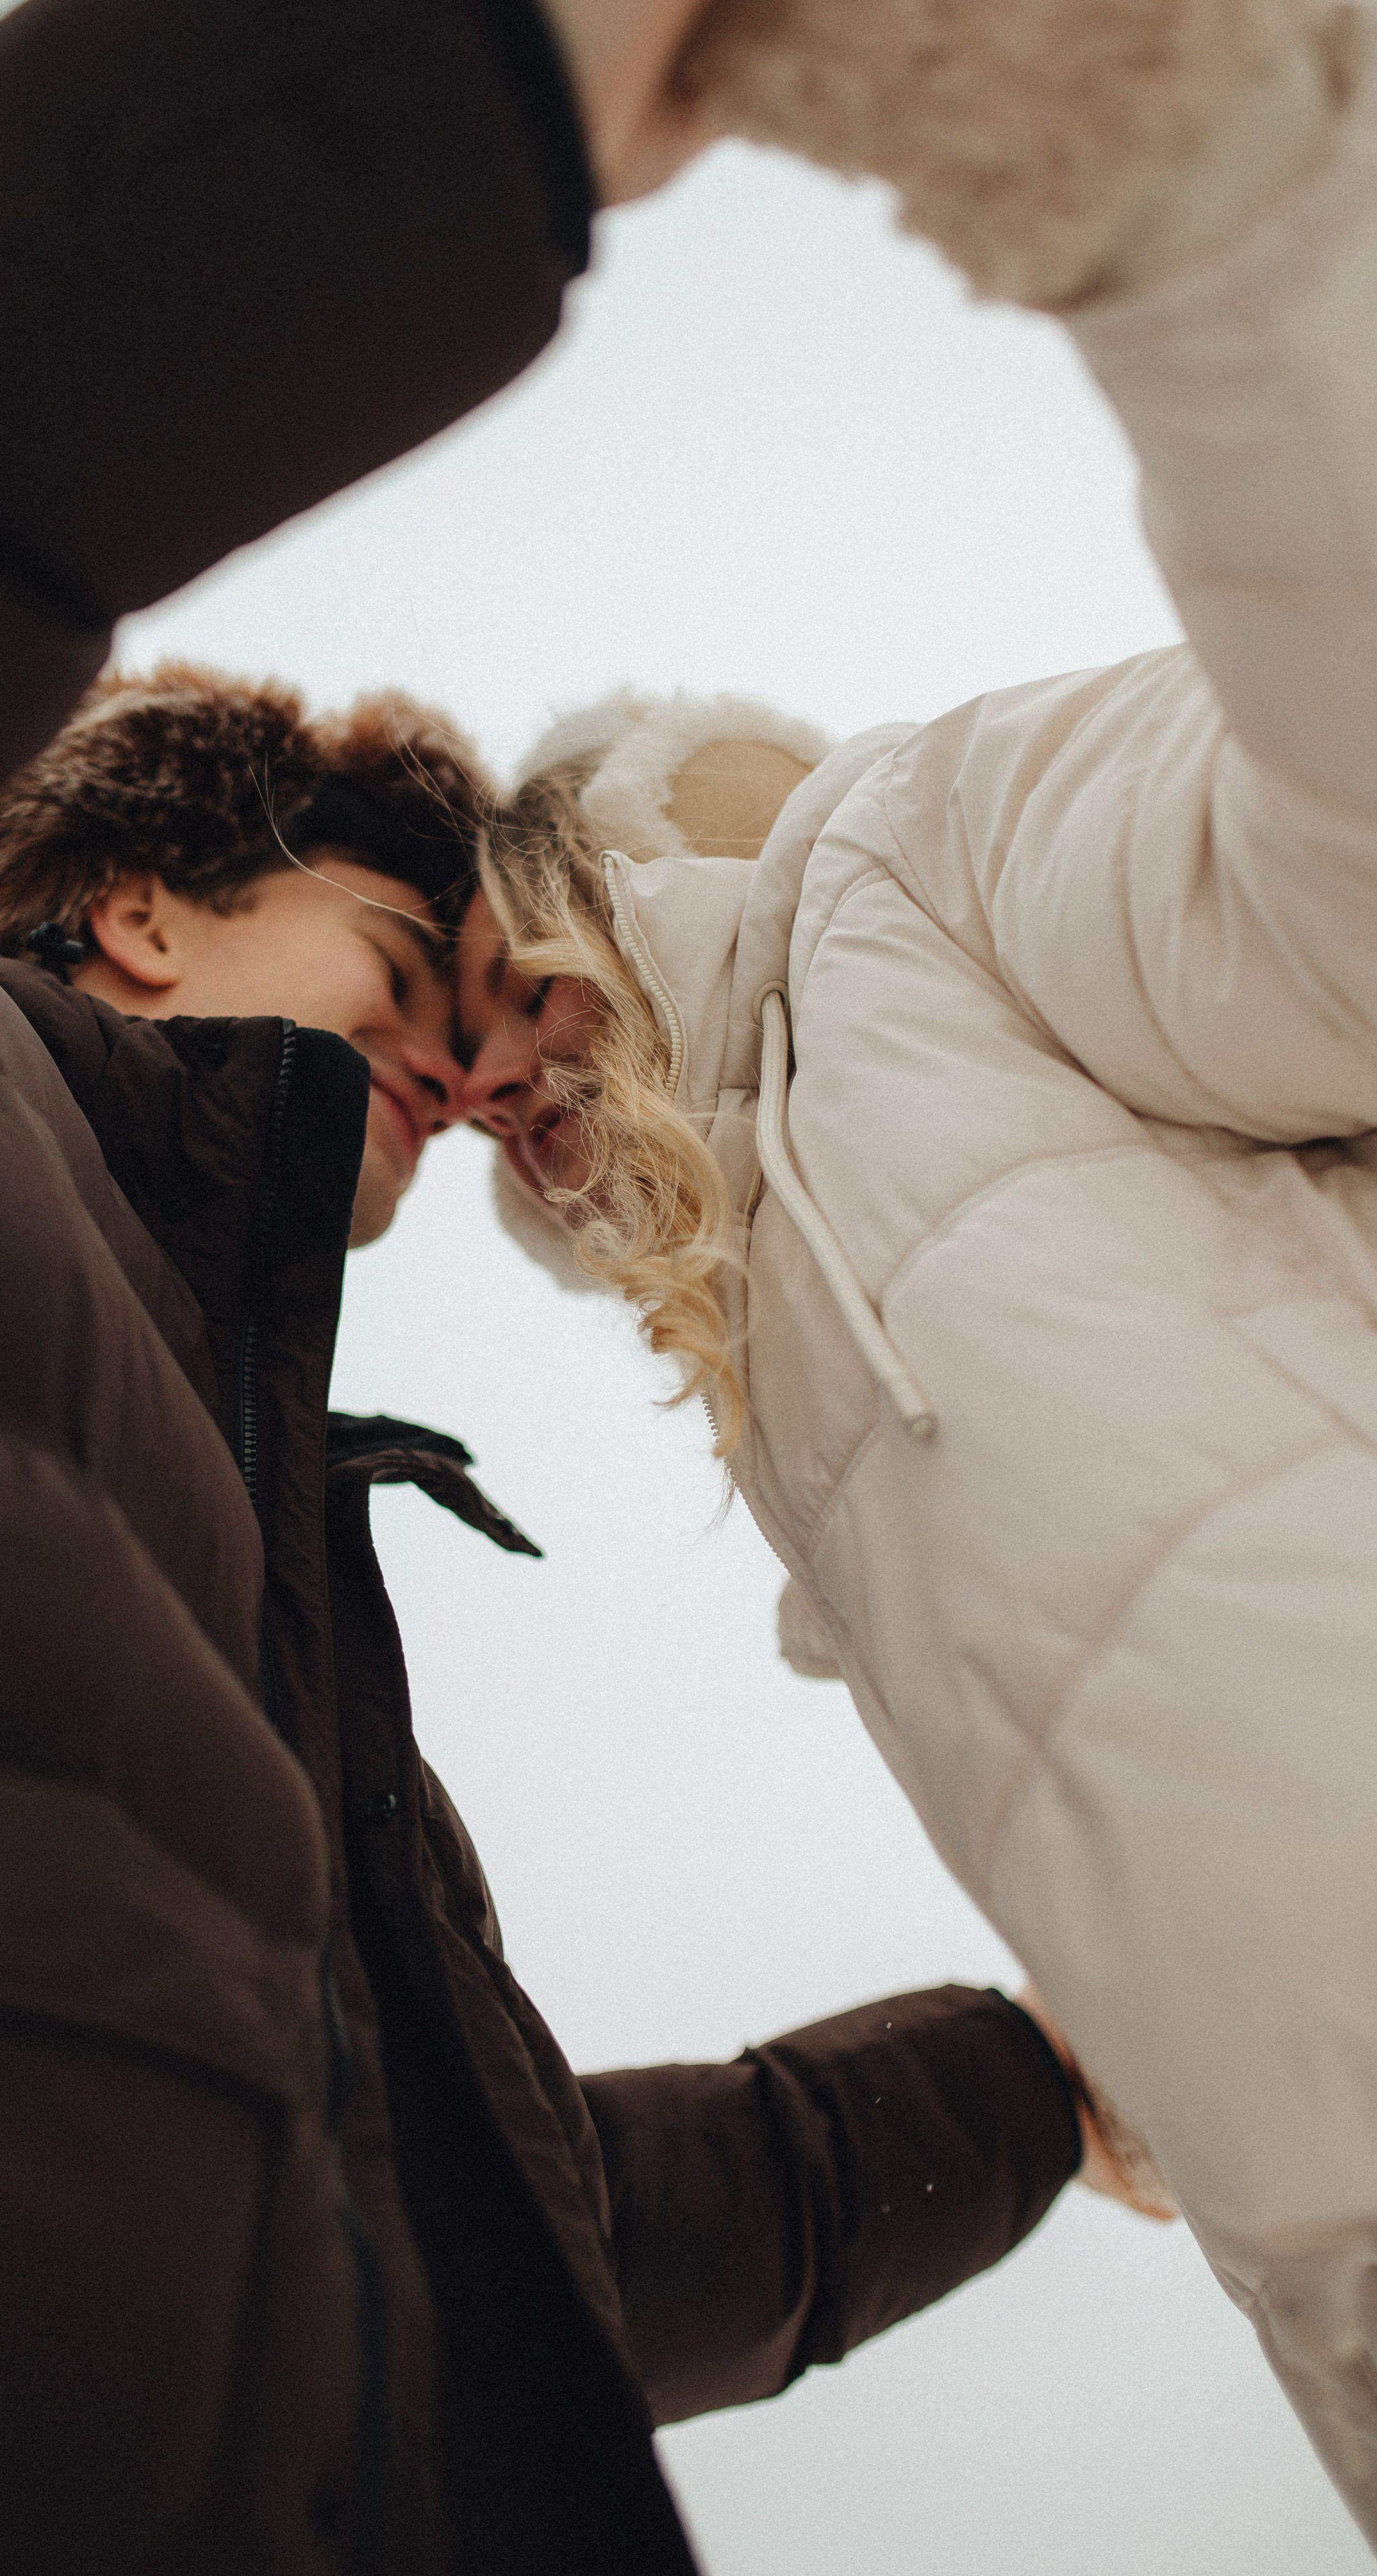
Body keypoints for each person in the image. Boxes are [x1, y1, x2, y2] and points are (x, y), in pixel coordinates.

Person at [0, 3, 1129, 2554]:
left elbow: (521, 2238)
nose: (467, 1062)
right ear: (142, 899)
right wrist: (456, 87)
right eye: (398, 955)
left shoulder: (253, 1521)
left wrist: (1048, 2085)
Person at [458, 0, 1377, 2540]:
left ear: (609, 871)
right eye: (451, 1077)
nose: (503, 1080)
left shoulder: (904, 874)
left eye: (512, 970)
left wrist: (1192, 195)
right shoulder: (794, 1375)